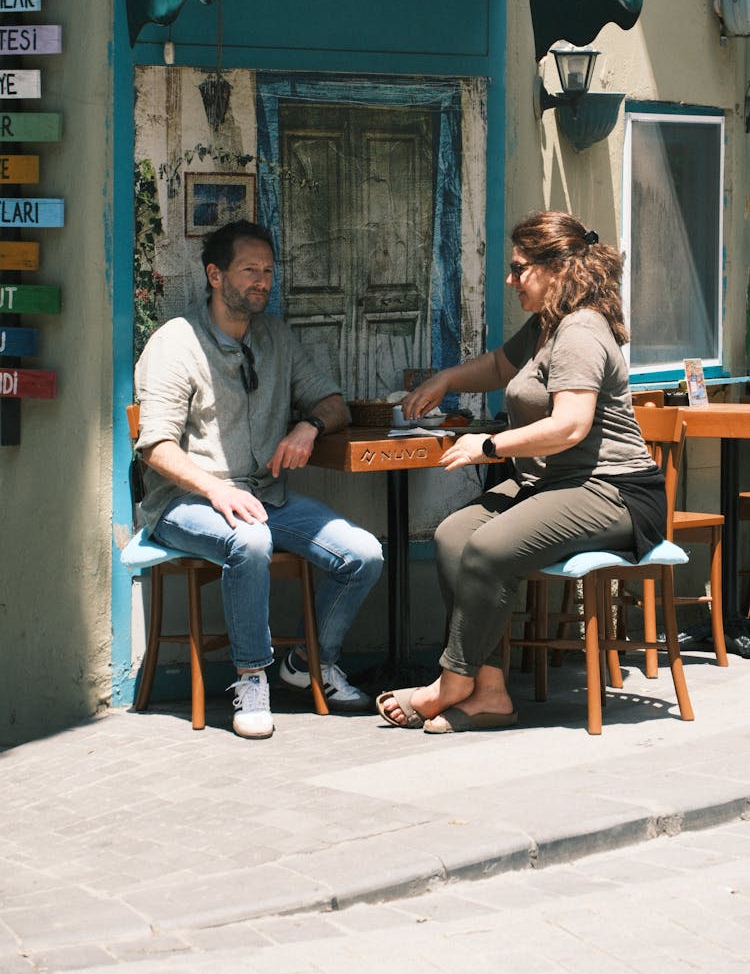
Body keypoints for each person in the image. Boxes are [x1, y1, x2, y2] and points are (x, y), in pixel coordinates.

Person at [376, 210, 665, 734]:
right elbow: (498, 366)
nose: (509, 281)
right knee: (454, 536)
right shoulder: (548, 323)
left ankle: (452, 681)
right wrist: (445, 379)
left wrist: (488, 444)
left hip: (611, 490)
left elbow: (570, 426)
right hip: (552, 483)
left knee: (489, 549)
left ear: (556, 267)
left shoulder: (580, 330)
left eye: (518, 269)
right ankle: (488, 690)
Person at [135, 219, 383, 739]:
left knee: (363, 554)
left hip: (266, 495)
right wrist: (216, 487)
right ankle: (252, 678)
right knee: (250, 541)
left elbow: (332, 403)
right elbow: (156, 446)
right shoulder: (176, 343)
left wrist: (308, 427)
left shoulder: (275, 337)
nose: (262, 281)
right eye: (249, 270)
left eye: (268, 271)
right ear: (215, 275)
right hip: (186, 502)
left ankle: (309, 661)